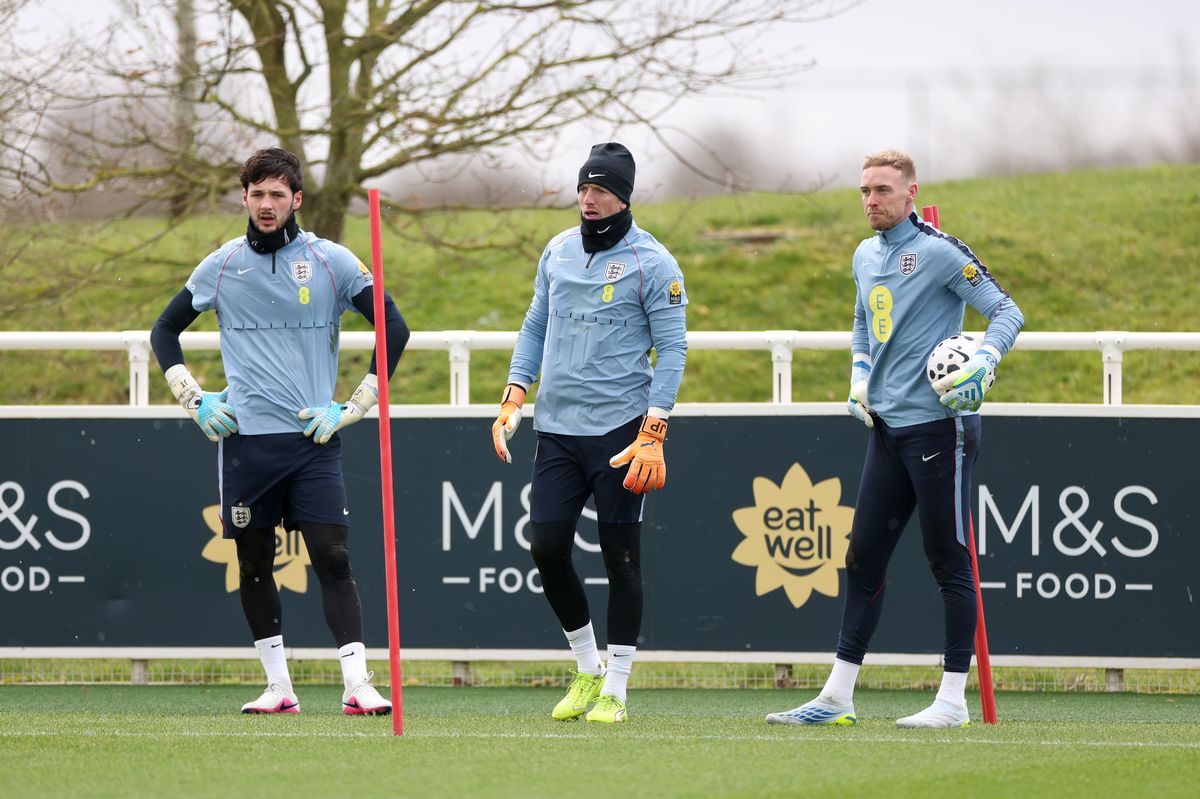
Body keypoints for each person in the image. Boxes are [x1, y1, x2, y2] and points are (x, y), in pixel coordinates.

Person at [767, 149, 1023, 729]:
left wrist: (983, 357)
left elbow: (1006, 312)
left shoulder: (938, 252)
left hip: (940, 428)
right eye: (864, 190)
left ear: (911, 193)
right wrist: (860, 375)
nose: (871, 200)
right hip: (886, 429)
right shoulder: (863, 254)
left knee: (947, 559)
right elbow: (863, 321)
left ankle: (952, 702)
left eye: (882, 190)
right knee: (862, 559)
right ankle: (836, 697)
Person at [150, 147, 410, 715]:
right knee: (253, 562)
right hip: (245, 446)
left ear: (296, 200)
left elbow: (395, 326)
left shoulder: (331, 260)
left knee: (332, 558)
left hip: (313, 442)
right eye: (257, 194)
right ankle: (278, 687)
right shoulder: (219, 266)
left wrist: (355, 404)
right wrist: (193, 398)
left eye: (278, 195)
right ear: (244, 198)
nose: (267, 205)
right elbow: (164, 331)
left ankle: (357, 684)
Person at [490, 142, 688, 724]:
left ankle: (617, 689)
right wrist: (513, 396)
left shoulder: (654, 262)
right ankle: (586, 669)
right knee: (547, 549)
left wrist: (656, 427)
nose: (589, 199)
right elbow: (534, 324)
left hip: (623, 431)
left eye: (601, 189)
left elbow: (673, 349)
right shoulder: (556, 251)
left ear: (623, 197)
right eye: (584, 188)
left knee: (620, 557)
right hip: (557, 429)